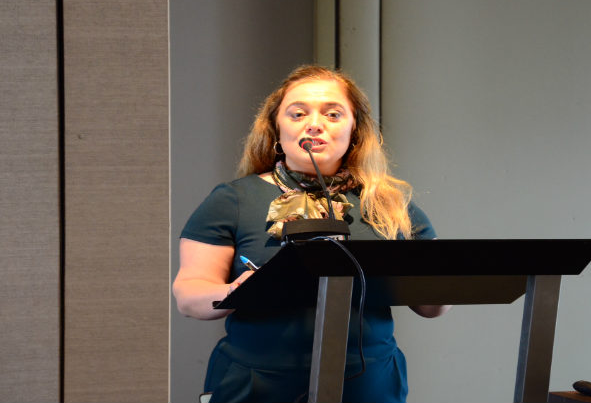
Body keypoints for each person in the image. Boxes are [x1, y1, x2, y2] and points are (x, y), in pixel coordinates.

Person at [172, 65, 450, 403]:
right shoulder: (232, 200)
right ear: (277, 129)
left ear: (355, 130)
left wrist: (440, 282)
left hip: (368, 385)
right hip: (255, 384)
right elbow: (189, 295)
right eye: (298, 113)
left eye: (333, 114)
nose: (314, 124)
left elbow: (434, 305)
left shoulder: (391, 204)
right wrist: (234, 291)